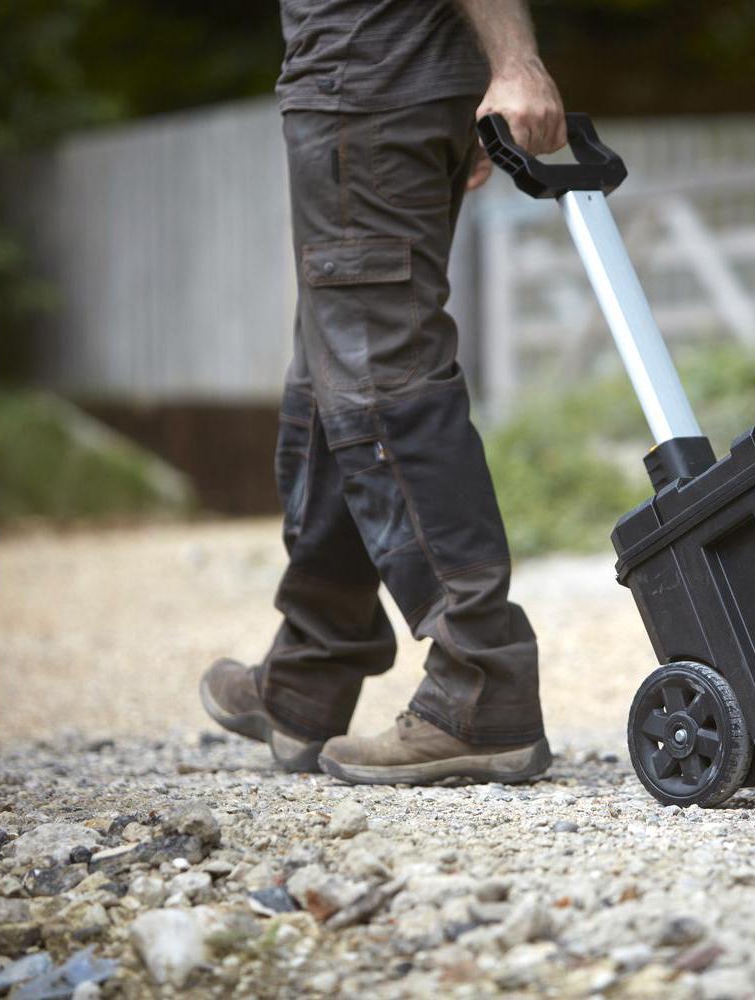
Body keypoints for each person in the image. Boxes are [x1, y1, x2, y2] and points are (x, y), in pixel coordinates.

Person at [199, 0, 566, 785]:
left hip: (367, 83)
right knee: (336, 371)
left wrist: (512, 63)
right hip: (389, 83)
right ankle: (310, 671)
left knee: (377, 379)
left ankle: (482, 680)